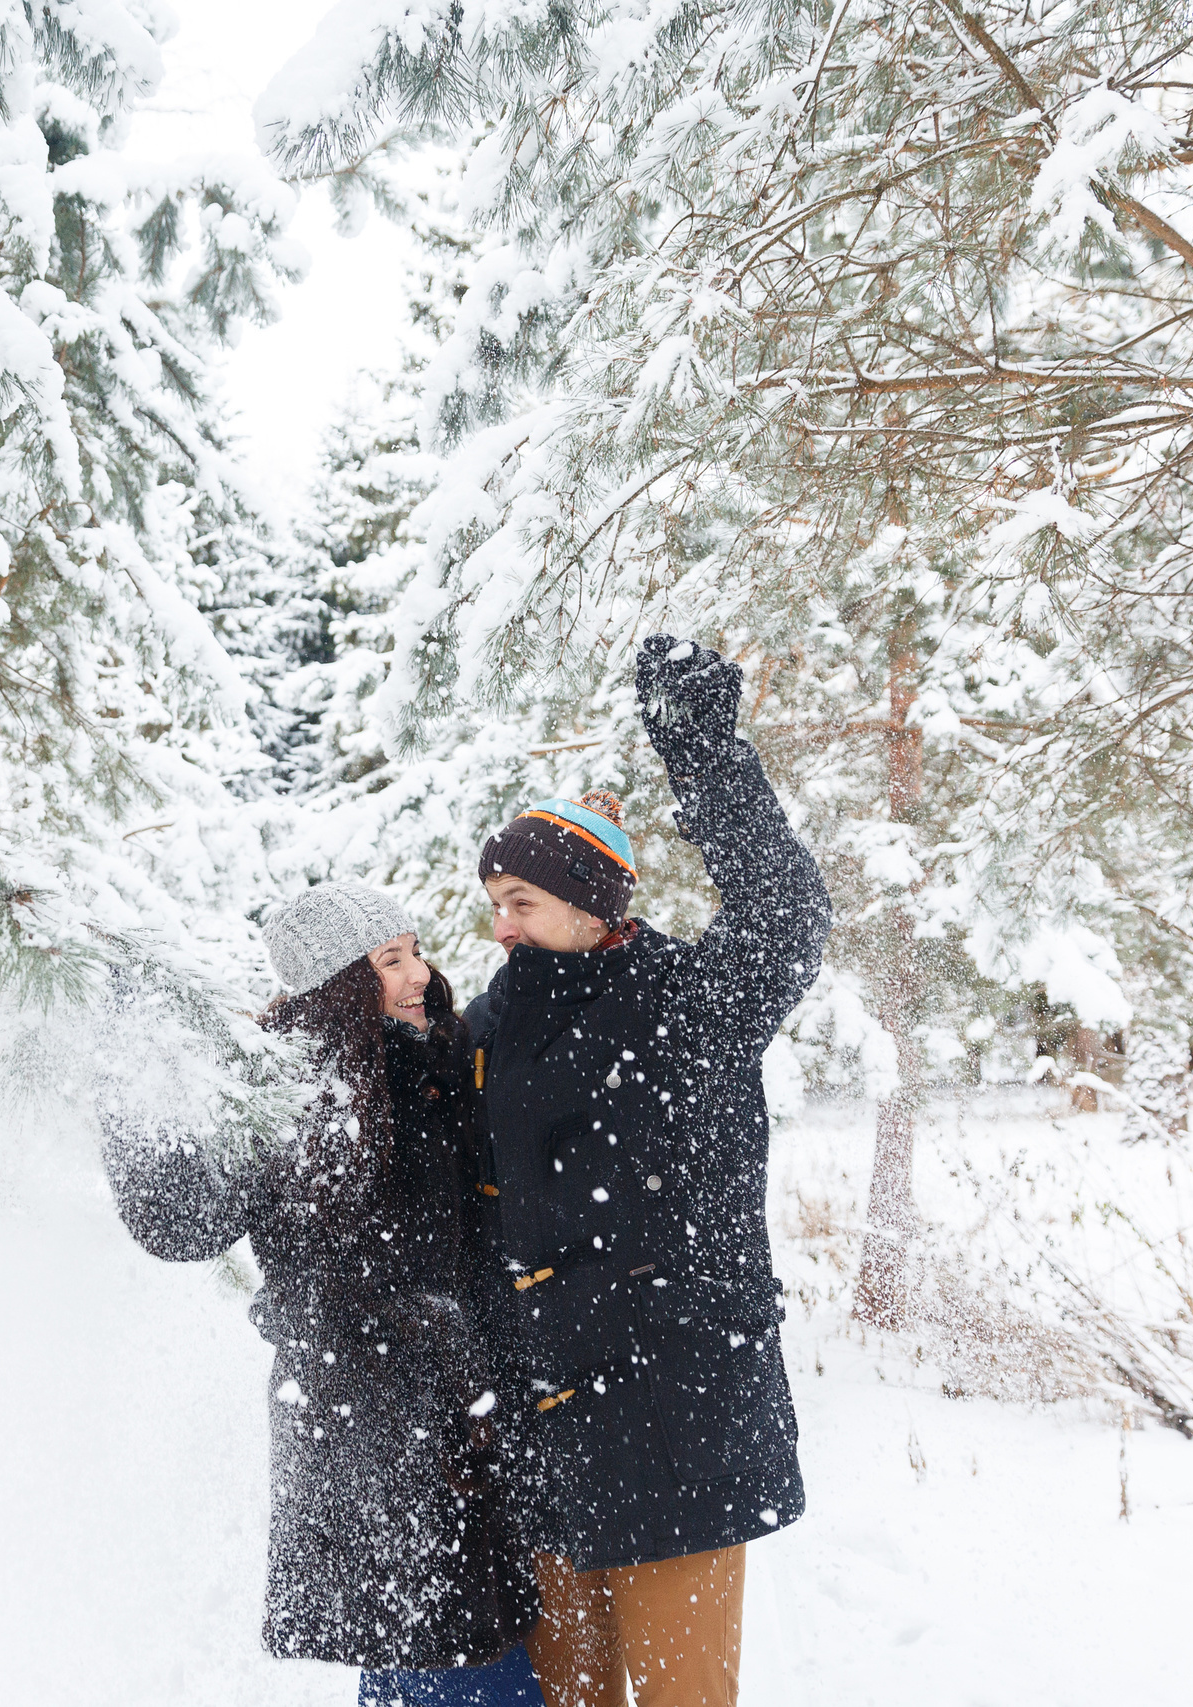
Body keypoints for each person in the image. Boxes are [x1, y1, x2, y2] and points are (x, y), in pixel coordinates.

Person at [465, 635, 832, 1707]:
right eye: (494, 900)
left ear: (592, 904)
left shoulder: (691, 1008)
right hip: (541, 1422)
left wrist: (703, 752)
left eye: (521, 900)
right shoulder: (492, 1022)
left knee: (681, 1698)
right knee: (566, 1698)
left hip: (676, 1414)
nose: (500, 922)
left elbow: (782, 915)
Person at [103, 883, 544, 1704]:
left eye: (415, 949)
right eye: (391, 959)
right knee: (439, 1663)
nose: (420, 973)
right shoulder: (288, 1100)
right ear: (342, 984)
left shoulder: (432, 1062)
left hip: (453, 1416)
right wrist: (127, 1061)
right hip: (360, 1429)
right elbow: (177, 1218)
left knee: (445, 1660)